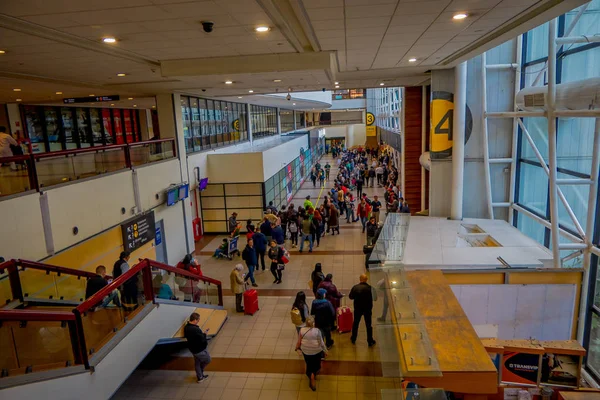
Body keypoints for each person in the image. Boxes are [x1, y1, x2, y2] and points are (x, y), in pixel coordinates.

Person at [296, 317, 328, 391]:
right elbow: (321, 343)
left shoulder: (302, 330)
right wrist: (325, 350)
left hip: (306, 351)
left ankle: (310, 373)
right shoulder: (317, 331)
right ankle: (313, 376)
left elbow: (299, 342)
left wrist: (297, 347)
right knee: (316, 363)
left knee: (309, 363)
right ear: (313, 323)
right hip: (316, 351)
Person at [349, 274, 377, 346]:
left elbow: (350, 297)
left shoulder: (355, 287)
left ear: (360, 279)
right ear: (366, 279)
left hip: (358, 309)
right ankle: (370, 340)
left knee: (356, 323)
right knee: (368, 325)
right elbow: (375, 298)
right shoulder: (371, 288)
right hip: (367, 309)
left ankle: (353, 338)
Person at [184, 312, 211, 382]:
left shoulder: (186, 327)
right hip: (200, 349)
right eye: (198, 320)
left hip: (193, 349)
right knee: (207, 360)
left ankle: (200, 377)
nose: (199, 321)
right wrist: (204, 334)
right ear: (195, 320)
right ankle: (201, 373)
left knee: (197, 362)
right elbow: (202, 339)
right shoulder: (196, 329)